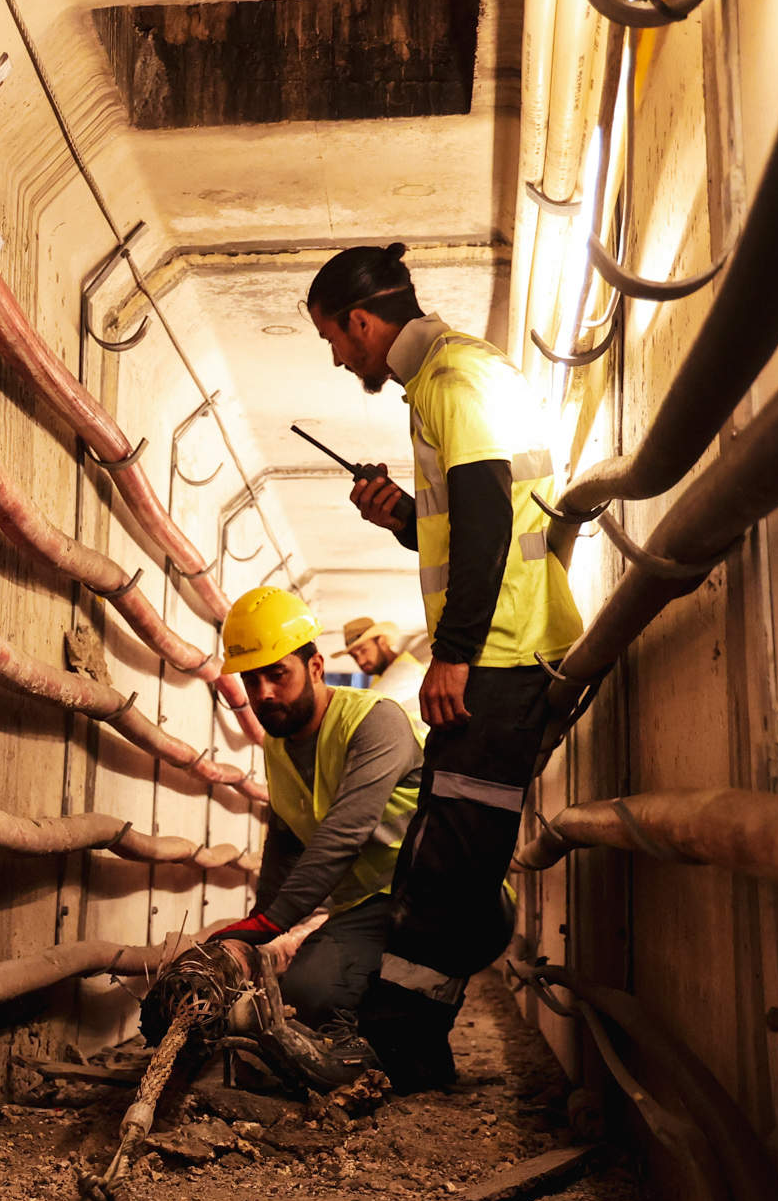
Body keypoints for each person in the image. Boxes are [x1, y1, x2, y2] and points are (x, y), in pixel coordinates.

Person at [305, 242, 584, 1088]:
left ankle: (399, 1053)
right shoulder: (460, 375)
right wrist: (398, 518)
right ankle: (407, 1046)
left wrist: (454, 657)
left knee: (445, 868)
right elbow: (468, 520)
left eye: (334, 338)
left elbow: (490, 520)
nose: (337, 356)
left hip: (501, 655)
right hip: (507, 648)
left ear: (362, 320)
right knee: (446, 857)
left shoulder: (453, 382)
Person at [208, 587, 423, 1088]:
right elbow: (284, 841)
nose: (263, 693)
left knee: (410, 1022)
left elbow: (342, 835)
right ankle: (391, 1046)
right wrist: (255, 936)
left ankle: (411, 1045)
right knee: (307, 994)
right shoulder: (278, 743)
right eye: (251, 678)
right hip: (371, 905)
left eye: (277, 673)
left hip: (437, 898)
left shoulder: (375, 720)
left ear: (317, 667)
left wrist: (267, 923)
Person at [340, 617, 426, 709]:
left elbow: (363, 708)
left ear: (382, 642)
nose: (360, 661)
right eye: (354, 656)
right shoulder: (382, 673)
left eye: (363, 650)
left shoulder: (405, 670)